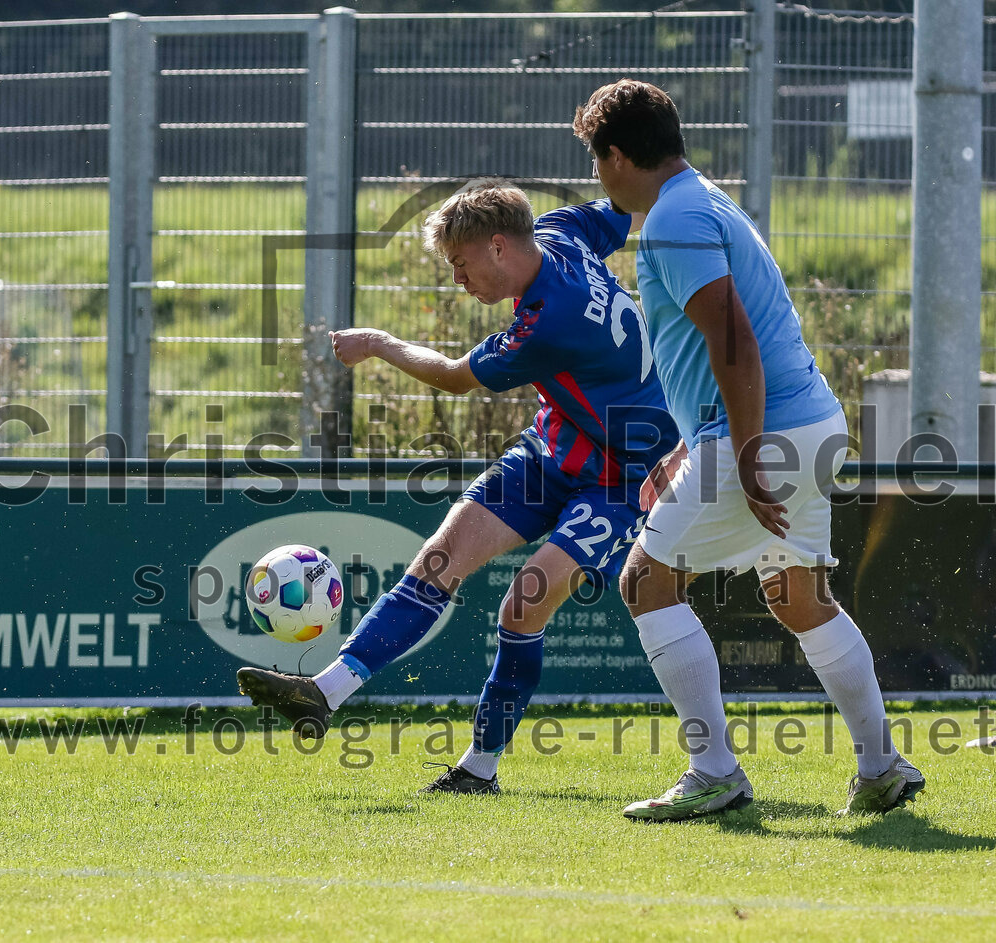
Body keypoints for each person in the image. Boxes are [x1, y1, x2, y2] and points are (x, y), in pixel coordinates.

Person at [238, 182, 678, 793]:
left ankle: (479, 768)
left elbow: (451, 377)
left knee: (522, 605)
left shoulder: (549, 323)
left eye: (461, 264)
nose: (458, 281)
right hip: (553, 449)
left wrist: (380, 344)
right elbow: (625, 204)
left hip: (623, 476)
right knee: (437, 562)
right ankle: (323, 693)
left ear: (498, 247)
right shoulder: (563, 232)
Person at [572, 79, 925, 820]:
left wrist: (744, 452)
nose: (597, 178)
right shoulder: (702, 199)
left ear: (616, 154)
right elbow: (722, 354)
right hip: (809, 424)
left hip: (769, 434)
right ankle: (881, 765)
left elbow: (734, 344)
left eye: (596, 159)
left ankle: (713, 770)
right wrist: (695, 444)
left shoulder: (673, 219)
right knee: (799, 595)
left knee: (645, 582)